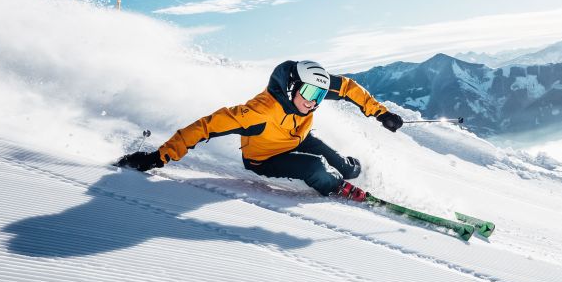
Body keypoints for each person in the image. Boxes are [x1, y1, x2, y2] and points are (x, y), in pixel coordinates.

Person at [116, 59, 403, 200]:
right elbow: (204, 127)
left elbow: (349, 88)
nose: (313, 102)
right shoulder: (258, 112)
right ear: (292, 87)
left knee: (344, 164)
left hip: (298, 138)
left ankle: (346, 173)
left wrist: (381, 113)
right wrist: (158, 157)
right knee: (315, 168)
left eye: (319, 96)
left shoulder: (310, 89)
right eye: (309, 95)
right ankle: (337, 187)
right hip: (265, 157)